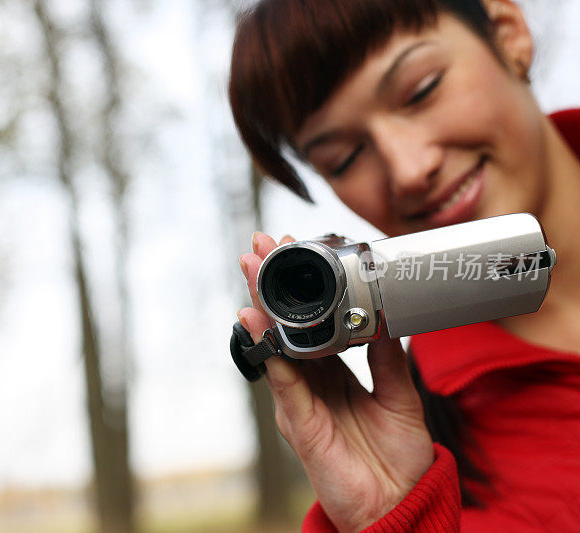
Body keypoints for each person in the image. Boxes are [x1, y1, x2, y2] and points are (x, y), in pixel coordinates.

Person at [229, 0, 580, 531]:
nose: (409, 168)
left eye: (422, 89)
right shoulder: (430, 451)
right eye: (344, 159)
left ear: (508, 33)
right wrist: (399, 517)